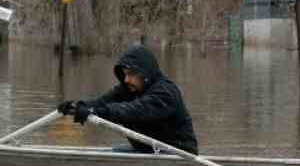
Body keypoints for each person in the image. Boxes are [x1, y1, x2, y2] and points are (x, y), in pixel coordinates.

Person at [58, 44, 198, 155]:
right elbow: (101, 102)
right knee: (114, 152)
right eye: (125, 75)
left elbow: (134, 111)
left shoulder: (165, 93)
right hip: (148, 150)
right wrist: (77, 106)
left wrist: (96, 111)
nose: (126, 80)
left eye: (131, 74)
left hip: (178, 154)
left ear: (145, 73)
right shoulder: (128, 89)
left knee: (114, 157)